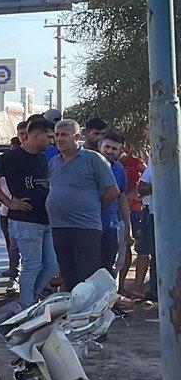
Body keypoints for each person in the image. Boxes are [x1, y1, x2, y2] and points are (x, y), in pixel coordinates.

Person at [0, 116, 57, 309]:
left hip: (45, 220)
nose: (51, 141)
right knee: (31, 266)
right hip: (25, 222)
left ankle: (31, 299)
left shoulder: (41, 158)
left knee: (52, 265)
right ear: (36, 135)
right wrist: (9, 202)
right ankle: (26, 306)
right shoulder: (13, 157)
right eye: (48, 137)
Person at [47, 119, 119, 291]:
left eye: (64, 134)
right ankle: (75, 314)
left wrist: (93, 207)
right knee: (68, 275)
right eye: (56, 135)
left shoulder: (93, 159)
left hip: (85, 227)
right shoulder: (54, 162)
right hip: (59, 227)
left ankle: (92, 314)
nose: (59, 139)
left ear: (76, 136)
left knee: (88, 276)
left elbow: (113, 191)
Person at [0, 124, 28, 295]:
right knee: (13, 246)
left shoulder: (40, 156)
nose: (24, 137)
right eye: (21, 134)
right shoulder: (9, 158)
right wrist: (8, 202)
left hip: (34, 212)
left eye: (27, 133)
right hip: (8, 212)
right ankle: (14, 279)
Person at [98, 131, 132, 280]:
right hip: (88, 224)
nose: (109, 151)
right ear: (100, 146)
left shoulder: (118, 168)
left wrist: (127, 226)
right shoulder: (90, 163)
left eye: (114, 149)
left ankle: (107, 301)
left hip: (110, 225)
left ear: (120, 151)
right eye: (107, 147)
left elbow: (122, 198)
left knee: (109, 266)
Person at [119, 145, 148, 296]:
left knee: (135, 246)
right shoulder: (106, 162)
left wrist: (134, 192)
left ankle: (127, 286)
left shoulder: (134, 161)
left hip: (135, 209)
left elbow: (148, 175)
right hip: (116, 209)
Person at [135, 159, 157, 301]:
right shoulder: (155, 164)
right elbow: (142, 188)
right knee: (155, 254)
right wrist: (164, 183)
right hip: (156, 215)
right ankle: (154, 291)